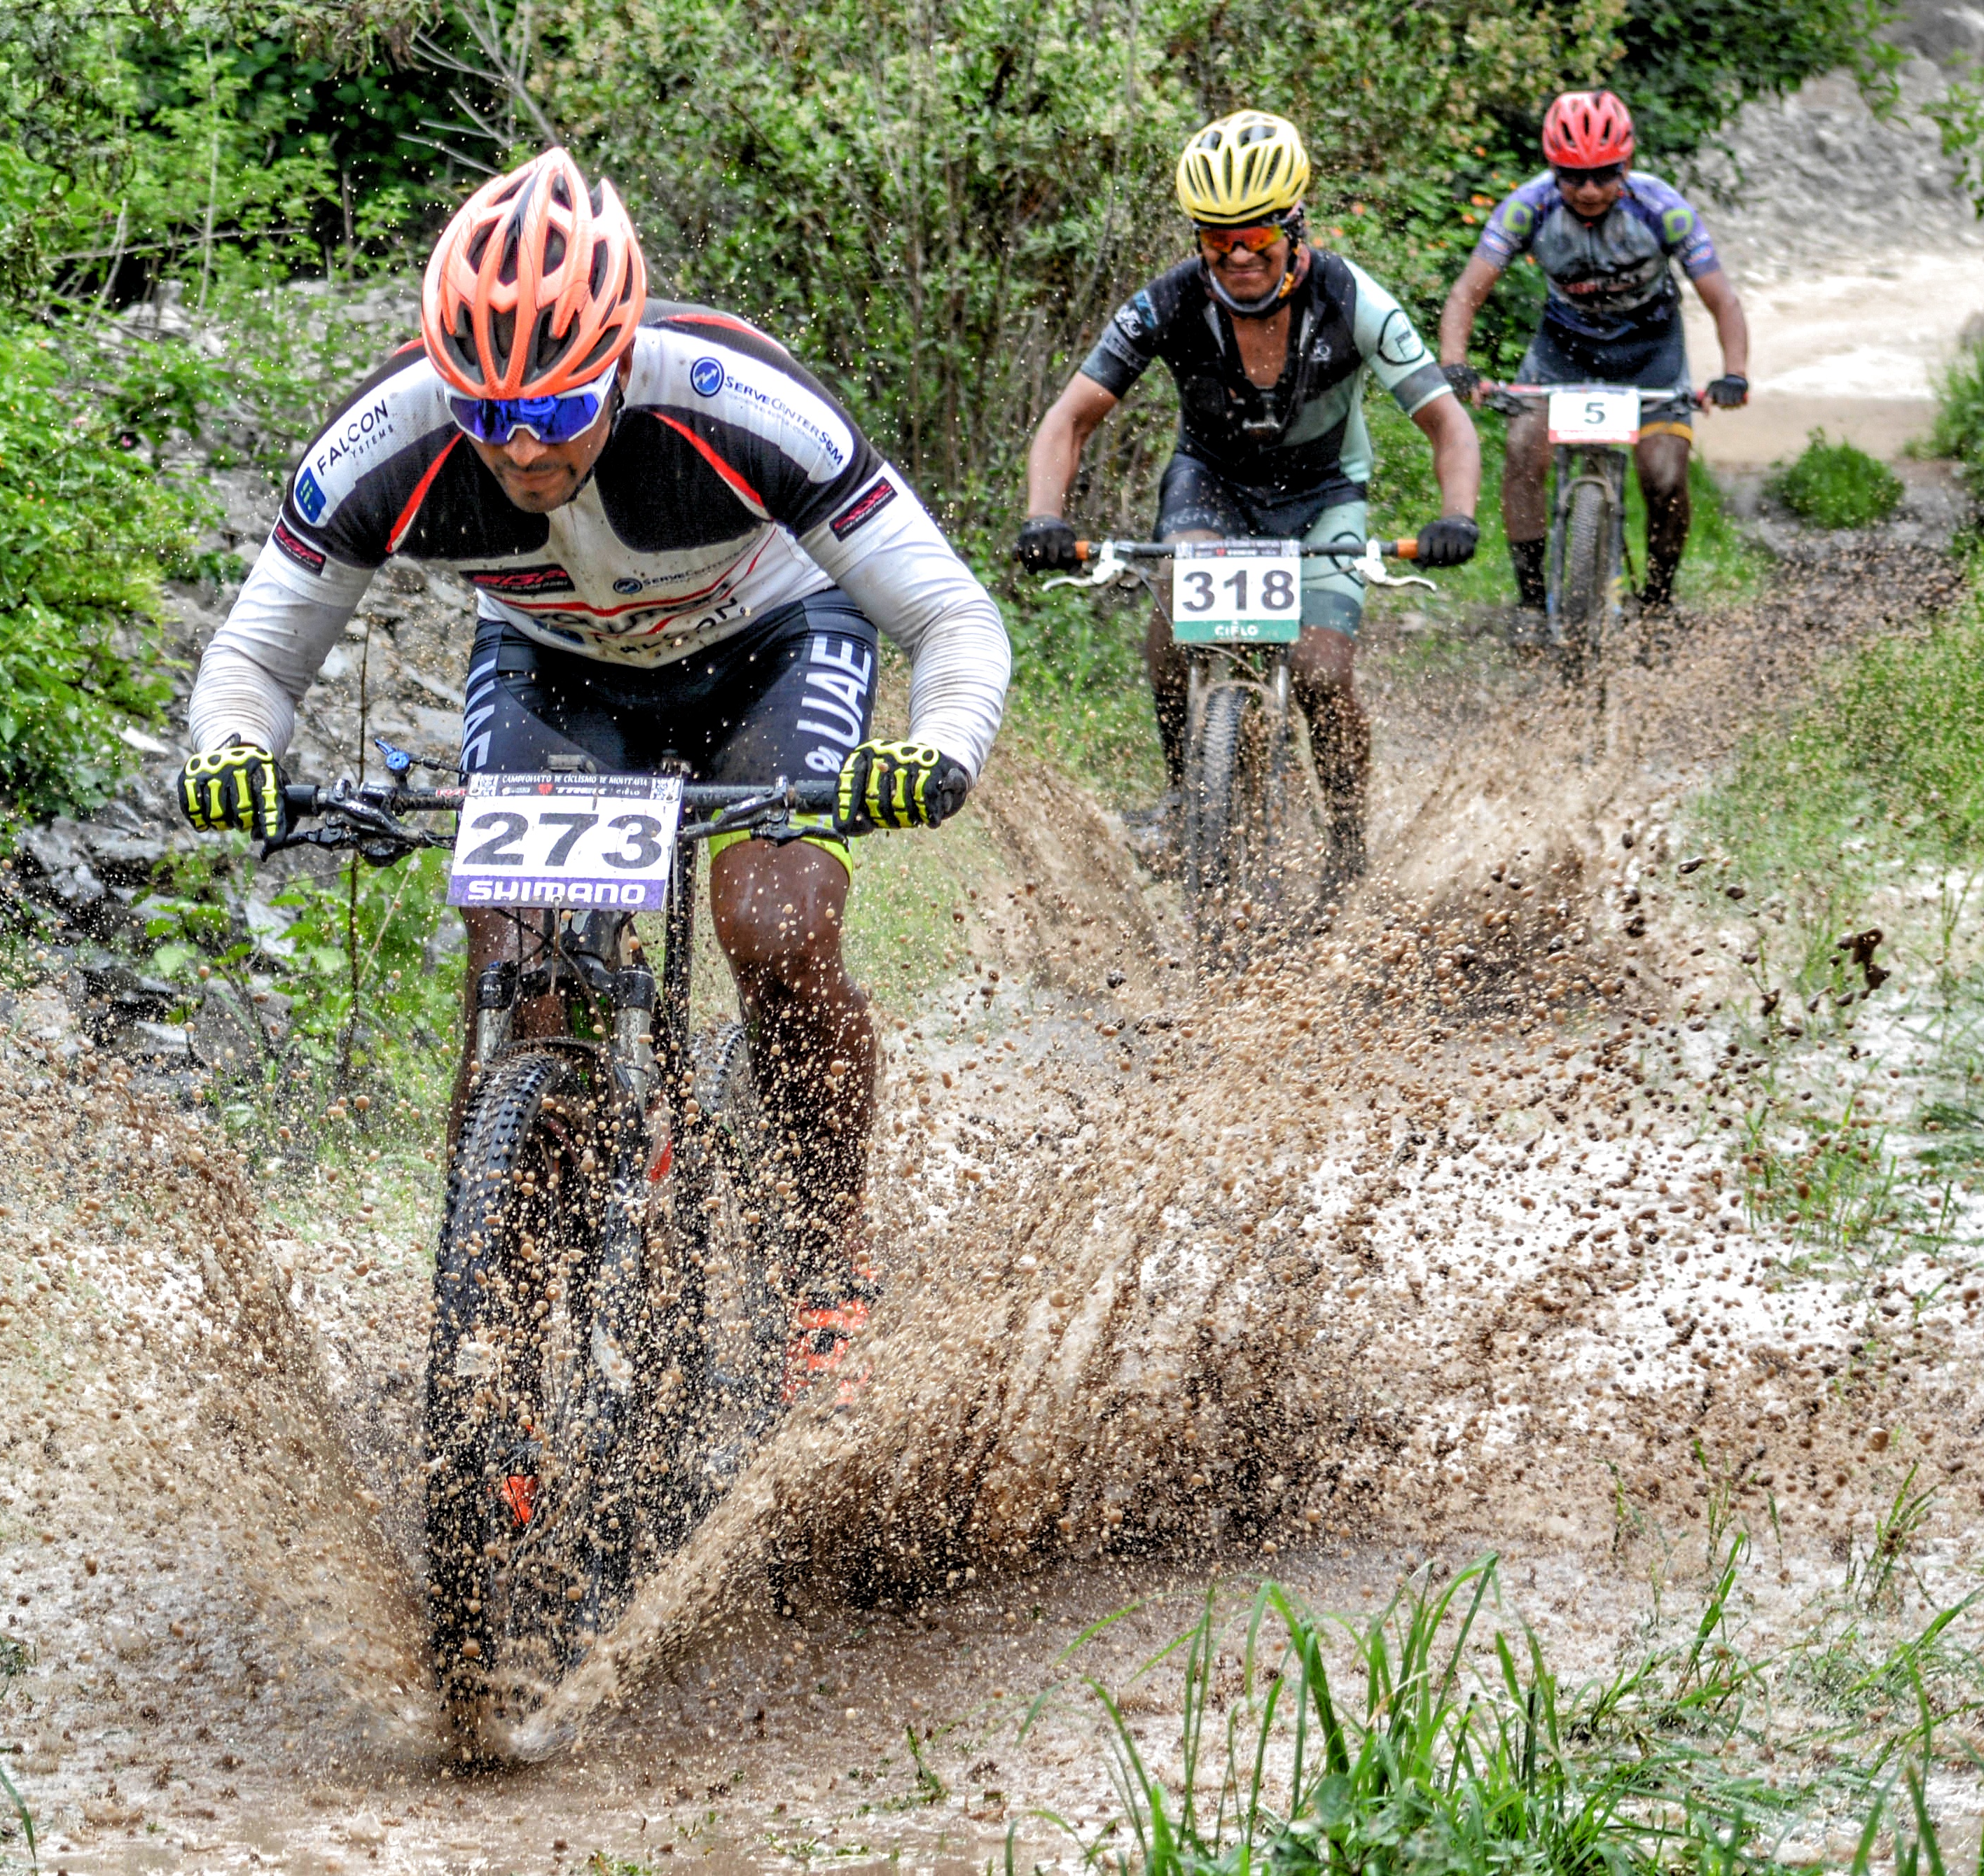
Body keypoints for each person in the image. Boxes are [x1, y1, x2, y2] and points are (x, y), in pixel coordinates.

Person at [174, 150, 1011, 1401]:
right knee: (514, 951)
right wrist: (232, 751)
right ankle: (497, 1325)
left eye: (558, 410)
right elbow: (254, 657)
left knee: (774, 929)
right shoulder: (386, 437)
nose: (521, 449)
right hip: (555, 664)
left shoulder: (736, 400)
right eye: (485, 415)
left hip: (772, 642)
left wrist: (939, 747)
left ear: (617, 363)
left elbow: (951, 613)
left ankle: (827, 1270)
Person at [1017, 111, 1482, 896]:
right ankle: (1184, 796)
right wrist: (1043, 517)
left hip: (1323, 496)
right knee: (1172, 621)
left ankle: (1347, 843)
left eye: (1257, 236)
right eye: (1216, 239)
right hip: (1213, 487)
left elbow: (1447, 421)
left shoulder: (1352, 297)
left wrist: (1456, 515)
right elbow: (1070, 418)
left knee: (1322, 675)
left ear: (1294, 226)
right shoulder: (1166, 302)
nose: (1237, 256)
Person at [1436, 90, 1751, 623]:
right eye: (1572, 176)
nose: (1588, 190)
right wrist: (1454, 362)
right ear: (1552, 169)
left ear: (1626, 164)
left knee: (1664, 477)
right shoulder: (1528, 207)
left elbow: (1722, 299)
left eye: (1603, 175)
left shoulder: (1663, 209)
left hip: (1651, 355)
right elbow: (1467, 292)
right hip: (1563, 352)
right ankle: (1531, 602)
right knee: (1522, 453)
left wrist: (1734, 374)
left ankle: (1657, 602)